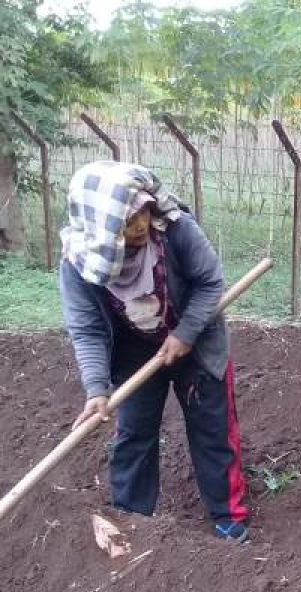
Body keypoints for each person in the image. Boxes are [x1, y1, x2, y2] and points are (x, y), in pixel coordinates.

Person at [59, 160, 249, 543]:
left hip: (196, 340)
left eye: (144, 211)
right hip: (132, 350)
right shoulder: (80, 263)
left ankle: (229, 516)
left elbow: (210, 282)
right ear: (104, 227)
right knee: (133, 433)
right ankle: (131, 518)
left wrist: (186, 333)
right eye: (129, 221)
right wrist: (97, 390)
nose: (142, 224)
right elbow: (88, 329)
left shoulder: (175, 229)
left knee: (212, 429)